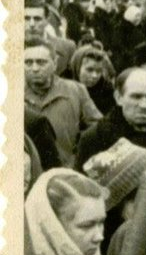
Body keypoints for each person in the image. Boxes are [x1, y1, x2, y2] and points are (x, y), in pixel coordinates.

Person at [25, 35, 102, 168]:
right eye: (28, 62)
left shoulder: (76, 90)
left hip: (65, 171)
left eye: (41, 62)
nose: (35, 68)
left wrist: (79, 156)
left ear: (55, 64)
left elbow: (99, 128)